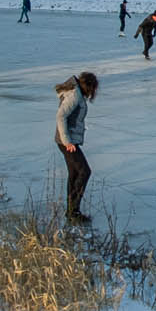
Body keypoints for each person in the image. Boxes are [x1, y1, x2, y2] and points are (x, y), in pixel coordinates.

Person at [54, 70, 100, 224]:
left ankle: (72, 211)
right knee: (84, 171)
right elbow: (61, 116)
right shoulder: (75, 96)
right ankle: (73, 210)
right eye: (93, 88)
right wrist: (67, 141)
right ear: (88, 86)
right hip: (66, 142)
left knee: (74, 174)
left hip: (67, 141)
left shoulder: (77, 94)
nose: (94, 92)